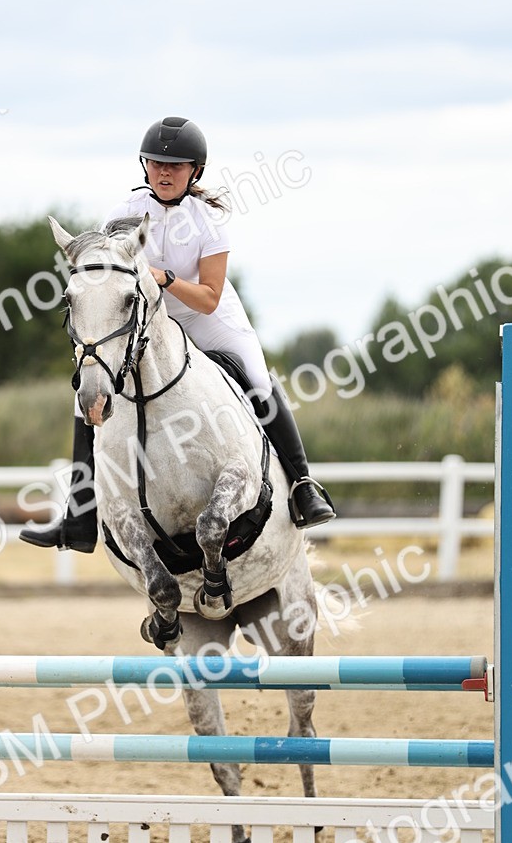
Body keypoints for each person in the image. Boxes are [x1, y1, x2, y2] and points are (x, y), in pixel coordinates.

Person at [21, 115, 335, 553]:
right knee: (85, 396)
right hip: (148, 320)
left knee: (259, 380)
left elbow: (208, 298)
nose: (164, 172)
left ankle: (302, 485)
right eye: (156, 163)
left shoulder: (209, 220)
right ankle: (79, 517)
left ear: (195, 171)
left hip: (207, 318)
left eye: (175, 166)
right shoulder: (123, 214)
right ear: (144, 166)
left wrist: (163, 278)